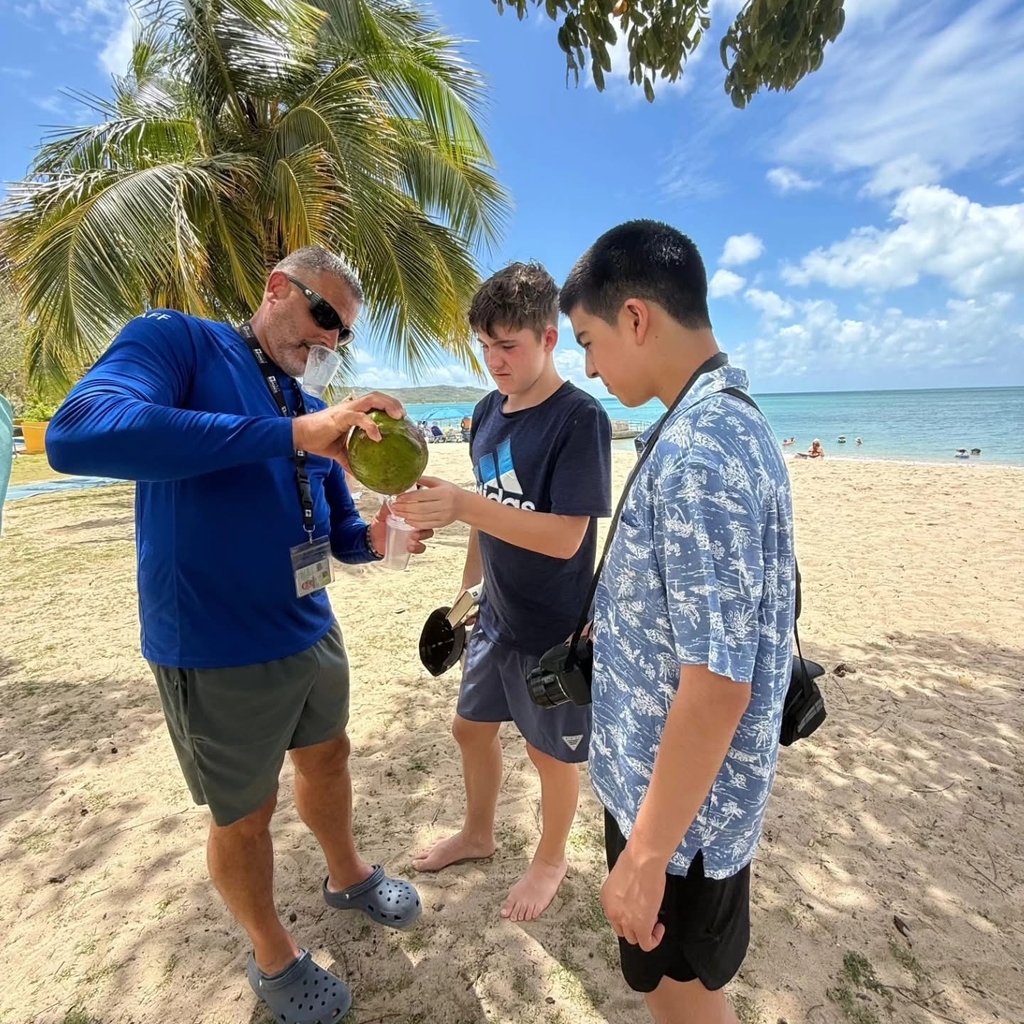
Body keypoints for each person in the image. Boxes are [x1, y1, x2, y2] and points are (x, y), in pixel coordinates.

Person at [44, 246, 431, 1022]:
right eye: (323, 316)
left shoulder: (305, 403)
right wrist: (288, 433)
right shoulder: (178, 340)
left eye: (342, 336)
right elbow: (78, 433)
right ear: (276, 287)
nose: (327, 342)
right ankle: (271, 952)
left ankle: (347, 873)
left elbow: (337, 529)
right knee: (243, 814)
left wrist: (381, 536)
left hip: (308, 627)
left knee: (329, 756)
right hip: (215, 646)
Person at [559, 220, 796, 1024]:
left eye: (588, 340)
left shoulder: (700, 451)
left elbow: (720, 682)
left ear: (635, 318)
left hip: (682, 827)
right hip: (677, 802)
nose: (587, 365)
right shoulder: (726, 417)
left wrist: (647, 855)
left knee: (687, 1004)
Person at [392, 261, 612, 922]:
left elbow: (566, 538)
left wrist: (463, 505)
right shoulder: (486, 412)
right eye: (484, 346)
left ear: (549, 339)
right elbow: (483, 517)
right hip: (494, 616)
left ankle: (550, 859)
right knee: (468, 728)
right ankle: (480, 833)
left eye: (508, 345)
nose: (494, 360)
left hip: (553, 627)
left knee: (549, 755)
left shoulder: (579, 420)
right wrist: (464, 604)